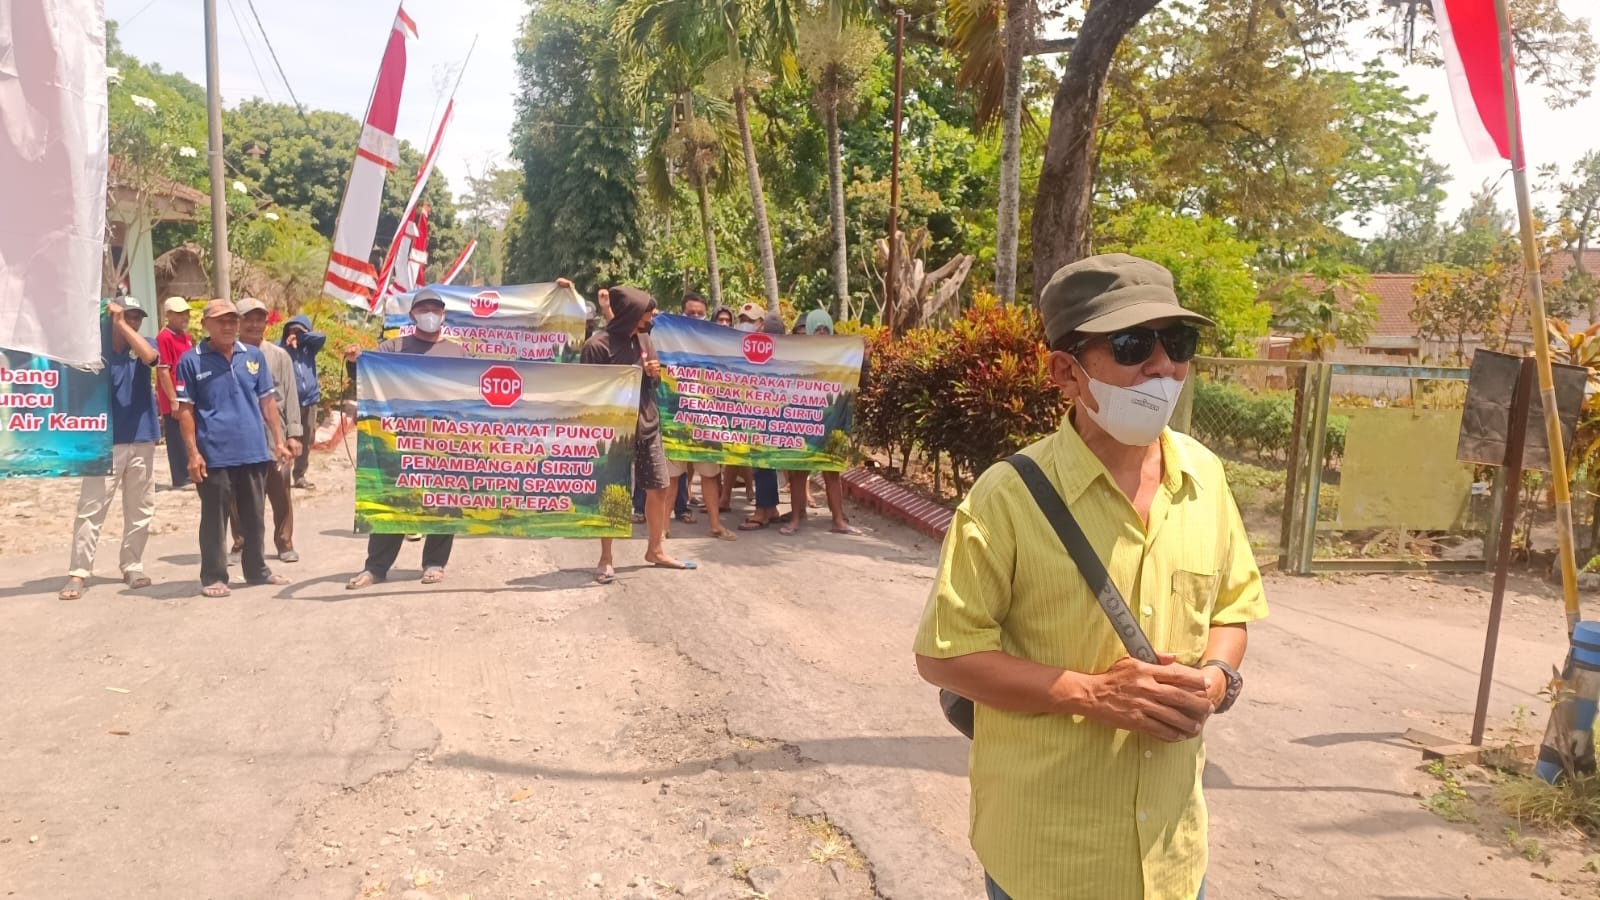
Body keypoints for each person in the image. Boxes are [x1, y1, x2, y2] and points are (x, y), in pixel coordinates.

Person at [912, 254, 1267, 900]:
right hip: (1050, 861)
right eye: (1133, 345)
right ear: (1064, 373)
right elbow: (945, 656)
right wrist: (1091, 694)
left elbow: (1231, 609)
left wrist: (1214, 681)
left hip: (1174, 859)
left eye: (1177, 342)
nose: (1162, 367)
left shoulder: (1205, 479)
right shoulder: (1006, 499)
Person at [174, 299, 295, 597]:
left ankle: (256, 570)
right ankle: (214, 576)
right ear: (206, 325)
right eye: (221, 321)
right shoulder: (191, 361)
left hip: (253, 450)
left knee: (255, 516)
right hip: (214, 454)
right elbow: (185, 411)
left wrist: (278, 441)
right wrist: (193, 453)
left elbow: (268, 402)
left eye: (232, 321)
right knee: (215, 519)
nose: (228, 326)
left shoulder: (253, 356)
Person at [345, 290, 465, 589]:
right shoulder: (393, 347)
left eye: (435, 308)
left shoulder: (459, 354)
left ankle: (435, 563)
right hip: (399, 442)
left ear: (444, 315)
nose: (429, 313)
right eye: (423, 308)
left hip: (443, 443)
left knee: (442, 501)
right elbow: (366, 377)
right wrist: (353, 361)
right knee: (392, 503)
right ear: (412, 315)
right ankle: (376, 567)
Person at [583, 286, 695, 583]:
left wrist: (654, 373)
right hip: (613, 432)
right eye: (646, 314)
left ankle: (655, 550)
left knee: (659, 486)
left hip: (648, 424)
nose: (650, 319)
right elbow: (587, 393)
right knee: (613, 492)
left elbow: (654, 383)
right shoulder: (597, 347)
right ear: (631, 314)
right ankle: (606, 557)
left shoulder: (645, 339)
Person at [58, 299, 161, 601]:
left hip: (141, 437)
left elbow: (151, 357)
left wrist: (123, 326)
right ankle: (79, 572)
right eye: (128, 316)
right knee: (92, 508)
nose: (133, 322)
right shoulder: (94, 349)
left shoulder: (143, 343)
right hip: (103, 441)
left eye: (137, 318)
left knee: (140, 506)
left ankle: (133, 565)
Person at [230, 299, 303, 563]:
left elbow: (291, 396)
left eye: (259, 319)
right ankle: (241, 542)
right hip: (240, 435)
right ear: (237, 323)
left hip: (276, 435)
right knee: (239, 493)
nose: (253, 324)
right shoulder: (228, 354)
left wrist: (294, 434)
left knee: (280, 490)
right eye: (247, 319)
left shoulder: (278, 355)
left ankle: (284, 542)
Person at [780, 309, 861, 537]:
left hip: (831, 420)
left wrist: (865, 358)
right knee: (798, 471)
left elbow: (859, 381)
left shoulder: (841, 356)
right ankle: (795, 518)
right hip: (803, 421)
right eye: (818, 329)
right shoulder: (796, 355)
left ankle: (838, 520)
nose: (823, 333)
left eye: (826, 328)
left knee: (832, 472)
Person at [740, 310, 791, 531]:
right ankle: (770, 508)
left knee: (762, 463)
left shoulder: (776, 355)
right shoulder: (784, 354)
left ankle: (762, 511)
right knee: (763, 463)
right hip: (765, 414)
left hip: (769, 415)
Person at [280, 314, 327, 488]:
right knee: (288, 439)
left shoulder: (310, 347)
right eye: (292, 329)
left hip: (310, 401)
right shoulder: (281, 349)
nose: (295, 333)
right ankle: (282, 476)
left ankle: (299, 476)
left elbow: (321, 337)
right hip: (289, 403)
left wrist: (301, 337)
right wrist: (289, 340)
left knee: (307, 439)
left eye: (300, 330)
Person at [155, 297, 194, 489]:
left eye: (185, 313)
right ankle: (180, 478)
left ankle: (191, 472)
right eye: (179, 314)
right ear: (168, 315)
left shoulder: (186, 337)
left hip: (187, 393)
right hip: (173, 396)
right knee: (176, 437)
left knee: (189, 434)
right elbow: (163, 370)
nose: (184, 317)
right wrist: (172, 399)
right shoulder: (164, 337)